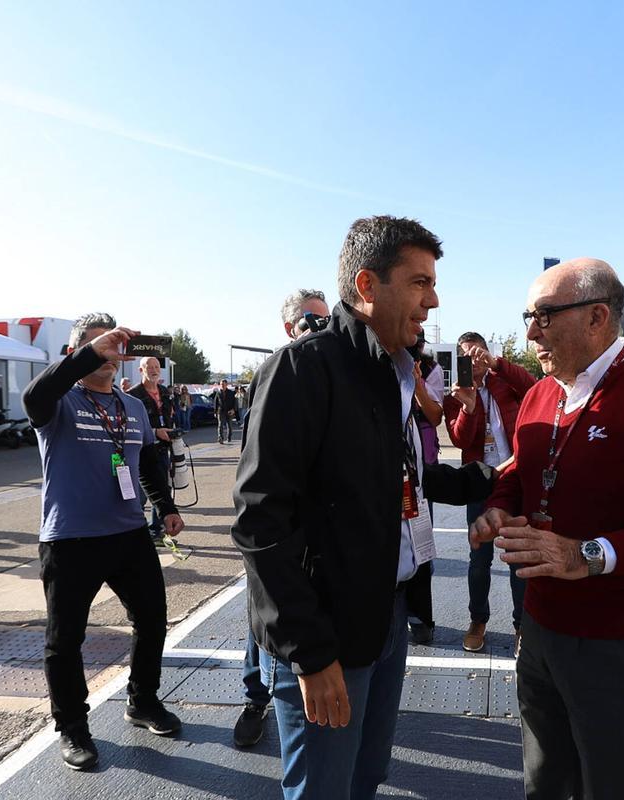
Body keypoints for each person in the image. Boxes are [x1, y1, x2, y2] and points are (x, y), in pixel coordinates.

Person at [234, 216, 494, 799]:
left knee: (364, 780)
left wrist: (493, 478)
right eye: (420, 282)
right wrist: (310, 653)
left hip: (386, 617)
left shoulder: (395, 372)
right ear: (368, 285)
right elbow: (259, 520)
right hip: (326, 634)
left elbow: (399, 479)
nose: (434, 300)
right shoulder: (303, 369)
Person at [474, 259, 624, 799]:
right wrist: (498, 506)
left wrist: (586, 555)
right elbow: (518, 470)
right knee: (545, 779)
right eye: (527, 316)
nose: (530, 331)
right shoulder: (541, 394)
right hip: (540, 625)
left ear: (596, 317)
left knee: (618, 783)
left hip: (620, 637)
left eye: (542, 315)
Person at [23, 312, 185, 771]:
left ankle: (143, 701)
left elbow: (146, 461)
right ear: (78, 352)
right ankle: (72, 728)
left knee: (152, 620)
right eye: (100, 346)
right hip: (71, 539)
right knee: (65, 640)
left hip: (128, 533)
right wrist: (91, 351)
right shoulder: (59, 403)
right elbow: (34, 393)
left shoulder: (132, 406)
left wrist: (166, 506)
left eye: (116, 346)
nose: (112, 353)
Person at [233, 287, 335, 750]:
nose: (320, 327)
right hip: (277, 527)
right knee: (267, 610)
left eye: (325, 319)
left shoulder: (329, 369)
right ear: (289, 327)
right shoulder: (279, 371)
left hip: (318, 530)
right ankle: (256, 698)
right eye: (311, 320)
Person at [444, 331, 535, 653]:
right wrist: (468, 407)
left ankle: (521, 625)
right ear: (459, 360)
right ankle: (477, 620)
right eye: (468, 354)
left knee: (517, 557)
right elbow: (459, 441)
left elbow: (532, 389)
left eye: (480, 352)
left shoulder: (503, 380)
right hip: (480, 480)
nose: (475, 359)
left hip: (515, 477)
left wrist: (499, 364)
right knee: (478, 558)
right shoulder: (457, 391)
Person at [403, 342, 443, 645]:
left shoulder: (430, 370)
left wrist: (416, 383)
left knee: (421, 545)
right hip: (389, 470)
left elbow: (435, 415)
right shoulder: (379, 364)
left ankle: (420, 618)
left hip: (421, 466)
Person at [126, 357, 175, 541]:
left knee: (163, 490)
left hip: (163, 450)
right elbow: (129, 427)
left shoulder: (164, 392)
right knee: (139, 497)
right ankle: (135, 534)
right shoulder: (132, 395)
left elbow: (169, 417)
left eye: (157, 367)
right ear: (141, 370)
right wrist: (155, 432)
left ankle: (157, 530)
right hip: (140, 454)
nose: (154, 370)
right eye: (150, 367)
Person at [214, 379, 238, 444]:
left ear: (226, 385)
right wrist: (215, 412)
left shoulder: (231, 392)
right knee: (220, 425)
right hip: (221, 411)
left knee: (229, 425)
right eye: (221, 384)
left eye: (224, 384)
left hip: (229, 411)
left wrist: (233, 410)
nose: (222, 385)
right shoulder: (218, 392)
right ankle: (220, 438)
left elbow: (235, 402)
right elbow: (216, 403)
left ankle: (229, 437)